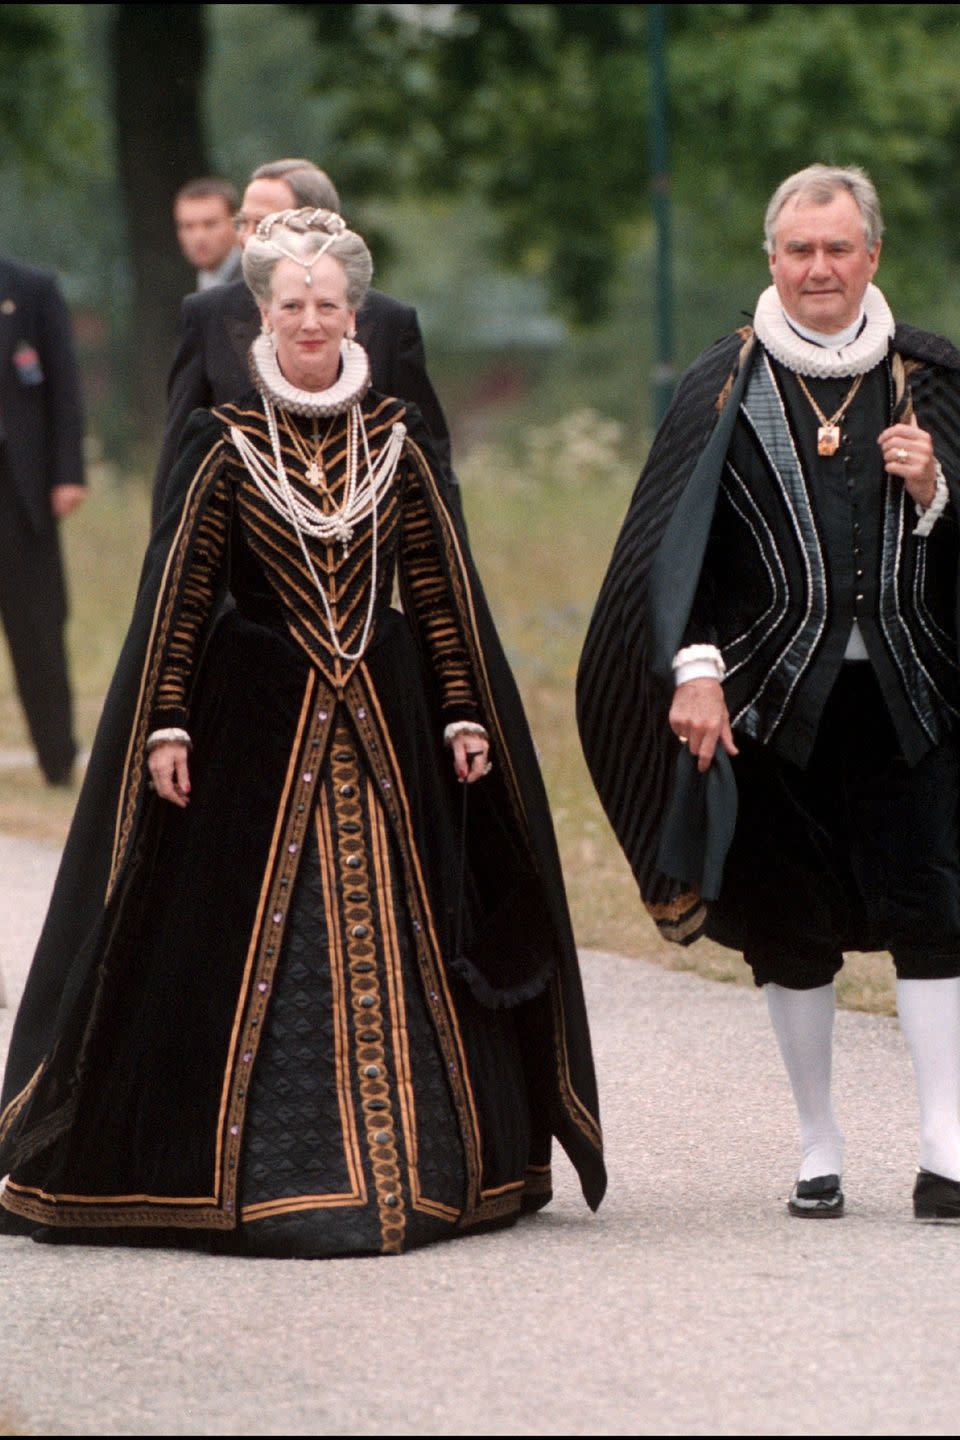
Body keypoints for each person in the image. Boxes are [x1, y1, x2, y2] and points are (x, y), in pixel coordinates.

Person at [0, 209, 605, 1256]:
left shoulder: (398, 444)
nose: (312, 320)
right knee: (245, 944)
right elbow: (183, 597)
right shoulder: (224, 445)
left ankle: (415, 1179)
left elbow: (439, 591)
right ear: (262, 320)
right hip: (255, 732)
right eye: (292, 305)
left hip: (388, 725)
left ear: (352, 314)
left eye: (329, 305)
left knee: (405, 928)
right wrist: (168, 725)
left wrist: (464, 710)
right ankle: (263, 1181)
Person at [578, 164, 960, 1223]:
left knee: (937, 914)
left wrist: (938, 490)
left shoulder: (934, 378)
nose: (821, 268)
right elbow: (670, 551)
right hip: (770, 711)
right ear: (773, 260)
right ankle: (817, 1144)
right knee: (791, 926)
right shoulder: (720, 384)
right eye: (800, 250)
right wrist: (692, 670)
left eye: (839, 249)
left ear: (872, 256)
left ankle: (947, 1146)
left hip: (912, 700)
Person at [152, 160, 453, 527]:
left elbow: (430, 465)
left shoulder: (389, 322)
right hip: (239, 566)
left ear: (319, 225)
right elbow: (178, 461)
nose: (246, 237)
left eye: (264, 224)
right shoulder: (208, 316)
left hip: (358, 559)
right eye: (243, 223)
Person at [0, 254, 85, 786]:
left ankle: (58, 758)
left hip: (20, 489)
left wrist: (68, 471)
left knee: (39, 630)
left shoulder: (30, 288)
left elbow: (64, 384)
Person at [173, 177, 242, 292]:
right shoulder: (199, 283)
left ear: (236, 223)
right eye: (188, 226)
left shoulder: (254, 283)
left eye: (210, 224)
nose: (199, 237)